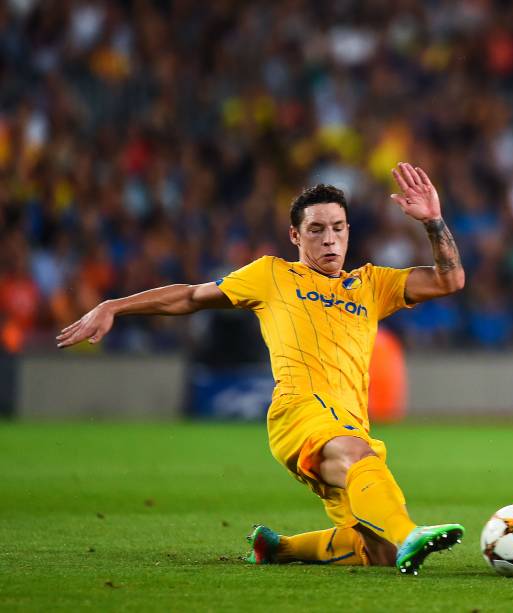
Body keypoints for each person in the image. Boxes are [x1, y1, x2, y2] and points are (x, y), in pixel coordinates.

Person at [57, 162, 466, 575]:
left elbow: (450, 281)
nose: (330, 240)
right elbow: (191, 297)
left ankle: (277, 548)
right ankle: (410, 532)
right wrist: (115, 306)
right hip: (299, 412)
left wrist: (433, 222)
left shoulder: (372, 285)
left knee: (377, 549)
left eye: (339, 228)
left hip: (350, 422)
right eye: (317, 229)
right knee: (360, 461)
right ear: (295, 235)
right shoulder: (271, 275)